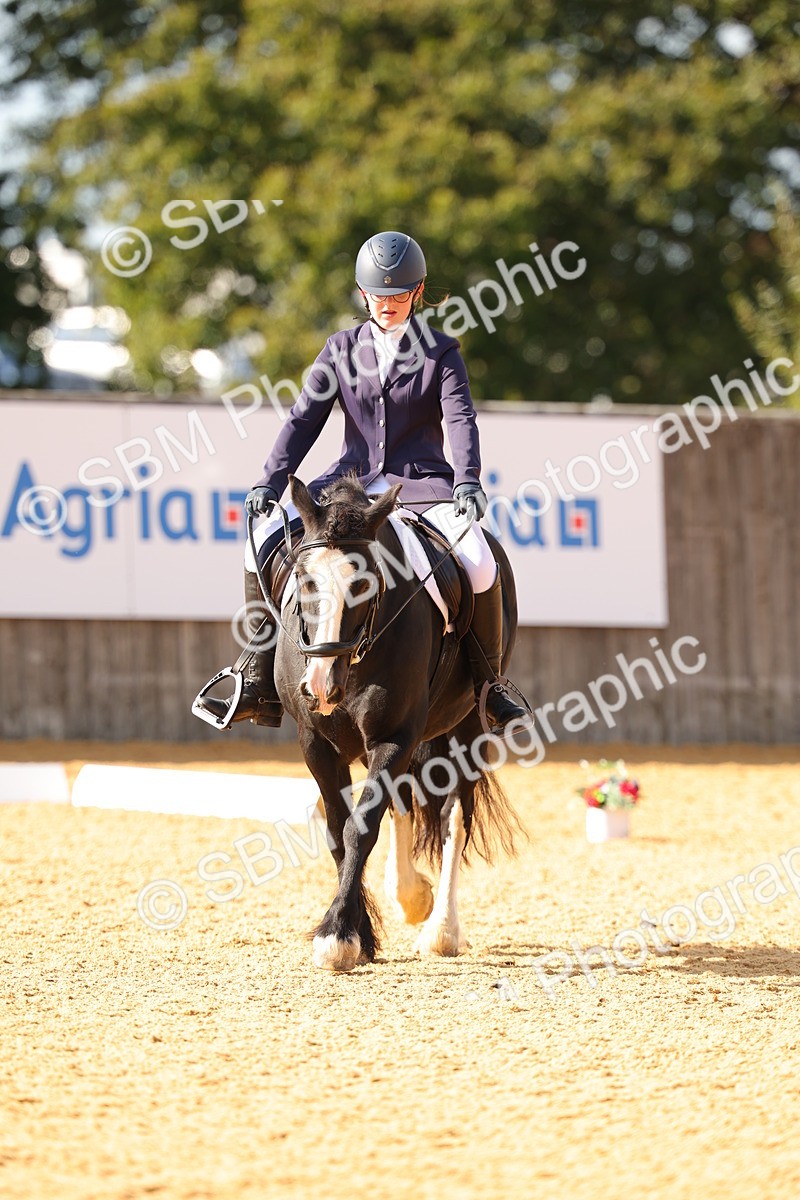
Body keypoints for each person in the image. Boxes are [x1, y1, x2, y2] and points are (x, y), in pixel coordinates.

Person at [203, 230, 527, 731]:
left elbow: (460, 419)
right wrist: (269, 482)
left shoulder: (442, 353)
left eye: (399, 296)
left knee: (481, 563)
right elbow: (303, 419)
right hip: (347, 486)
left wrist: (467, 480)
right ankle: (258, 677)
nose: (389, 304)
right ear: (363, 294)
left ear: (417, 294)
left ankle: (489, 687)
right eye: (379, 296)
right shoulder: (339, 349)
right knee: (257, 544)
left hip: (421, 486)